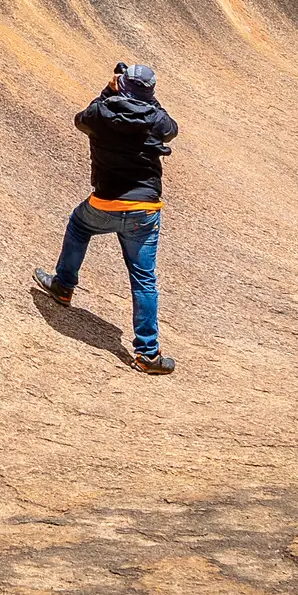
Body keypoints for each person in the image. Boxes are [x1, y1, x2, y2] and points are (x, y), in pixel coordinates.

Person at [34, 62, 178, 372]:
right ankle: (147, 355)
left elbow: (81, 119)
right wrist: (146, 99)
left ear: (120, 85)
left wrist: (109, 90)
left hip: (105, 203)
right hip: (144, 211)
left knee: (79, 225)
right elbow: (171, 129)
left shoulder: (101, 114)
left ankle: (63, 286)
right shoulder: (155, 120)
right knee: (143, 279)